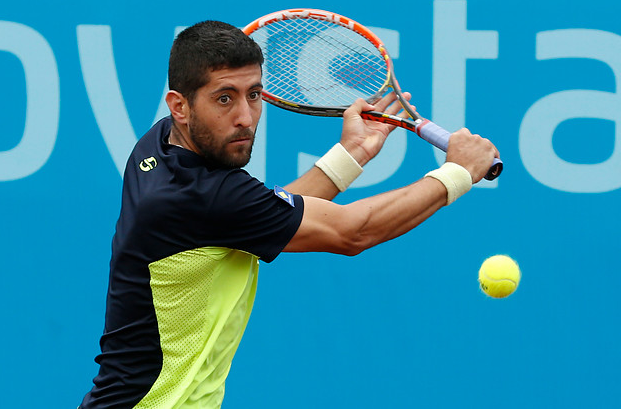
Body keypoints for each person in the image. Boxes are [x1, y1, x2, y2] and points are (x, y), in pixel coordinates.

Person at [80, 20, 498, 409]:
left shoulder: (158, 147)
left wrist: (352, 154)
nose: (245, 117)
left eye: (254, 94)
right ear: (180, 105)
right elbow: (353, 232)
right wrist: (457, 172)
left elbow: (267, 213)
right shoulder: (204, 196)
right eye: (224, 98)